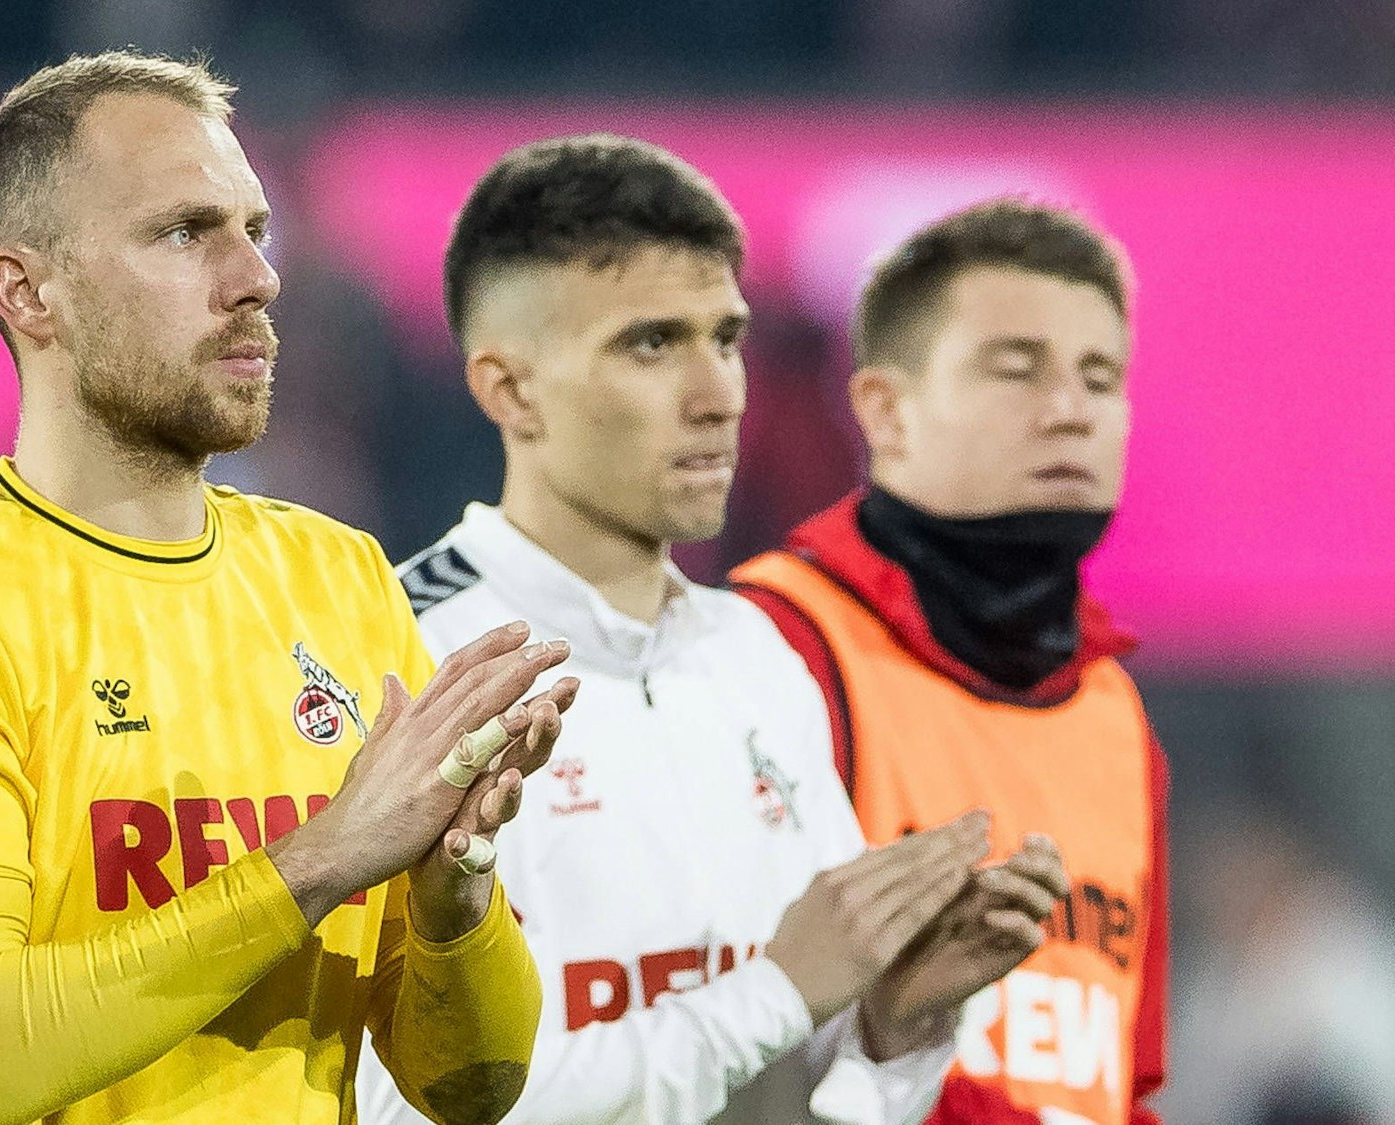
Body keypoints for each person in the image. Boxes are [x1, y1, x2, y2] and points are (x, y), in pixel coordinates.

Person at [0, 51, 579, 1125]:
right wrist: (322, 860)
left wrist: (450, 902)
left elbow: (466, 1085)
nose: (254, 275)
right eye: (182, 232)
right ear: (29, 293)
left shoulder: (337, 580)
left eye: (252, 228)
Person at [356, 135, 1070, 1125]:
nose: (717, 395)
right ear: (509, 389)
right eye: (650, 344)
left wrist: (897, 1024)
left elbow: (823, 1098)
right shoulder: (396, 657)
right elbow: (398, 1107)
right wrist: (775, 993)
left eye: (725, 339)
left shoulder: (755, 656)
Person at [731, 199, 1169, 1124]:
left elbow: (1121, 1085)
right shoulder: (773, 647)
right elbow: (700, 1049)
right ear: (885, 410)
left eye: (1101, 377)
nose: (1070, 411)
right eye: (1017, 370)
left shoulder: (1113, 713)